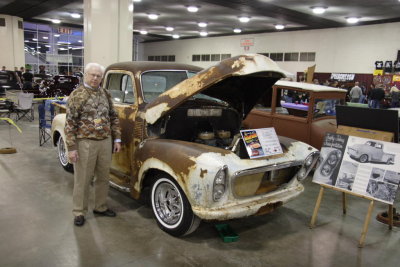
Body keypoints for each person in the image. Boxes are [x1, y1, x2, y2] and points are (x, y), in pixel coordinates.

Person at [65, 62, 122, 226]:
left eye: (98, 76)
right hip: (85, 143)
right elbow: (70, 123)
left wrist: (117, 138)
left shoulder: (105, 93)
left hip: (105, 141)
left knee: (103, 177)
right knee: (82, 179)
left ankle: (100, 207)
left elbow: (113, 117)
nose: (95, 78)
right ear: (86, 75)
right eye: (92, 75)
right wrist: (71, 148)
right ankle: (79, 211)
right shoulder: (78, 94)